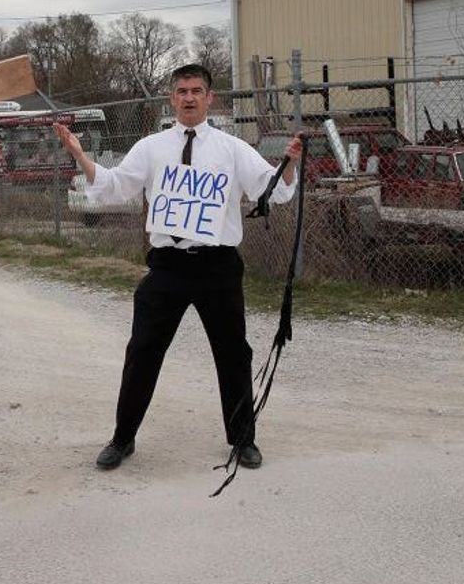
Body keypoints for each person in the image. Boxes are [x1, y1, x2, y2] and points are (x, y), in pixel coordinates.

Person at [54, 63, 303, 472]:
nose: (189, 97)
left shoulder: (232, 148)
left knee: (233, 354)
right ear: (172, 98)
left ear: (209, 98)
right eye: (182, 91)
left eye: (197, 91)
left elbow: (270, 190)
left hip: (218, 266)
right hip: (167, 266)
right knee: (143, 351)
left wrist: (289, 162)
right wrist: (80, 155)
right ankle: (122, 438)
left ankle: (243, 439)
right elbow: (115, 185)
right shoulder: (152, 147)